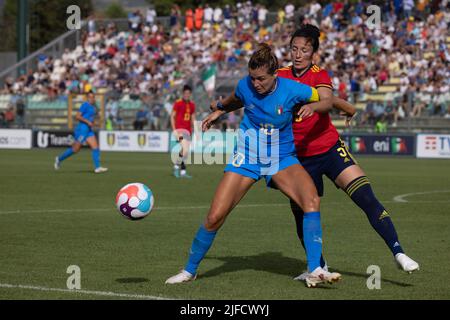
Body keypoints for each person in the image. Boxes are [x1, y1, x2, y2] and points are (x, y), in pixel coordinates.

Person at [165, 44, 345, 287]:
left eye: (261, 79)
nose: (256, 83)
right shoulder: (245, 85)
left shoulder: (293, 89)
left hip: (280, 158)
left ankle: (315, 268)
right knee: (215, 216)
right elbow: (236, 99)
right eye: (253, 78)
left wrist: (345, 108)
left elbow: (326, 99)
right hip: (247, 156)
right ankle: (189, 271)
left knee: (311, 200)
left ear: (275, 75)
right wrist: (219, 110)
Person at [276, 24, 419, 280]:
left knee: (366, 197)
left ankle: (399, 252)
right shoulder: (280, 75)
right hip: (296, 158)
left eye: (304, 50)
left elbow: (327, 99)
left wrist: (316, 107)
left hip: (329, 148)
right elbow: (256, 91)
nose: (298, 54)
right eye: (294, 49)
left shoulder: (320, 74)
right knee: (303, 215)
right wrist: (221, 108)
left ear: (313, 54)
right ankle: (318, 267)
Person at [54, 92, 108, 174]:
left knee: (95, 147)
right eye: (90, 97)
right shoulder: (85, 105)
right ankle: (59, 159)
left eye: (93, 97)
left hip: (88, 130)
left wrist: (95, 123)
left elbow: (91, 120)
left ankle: (97, 167)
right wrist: (87, 122)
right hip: (82, 130)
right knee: (75, 149)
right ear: (87, 98)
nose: (92, 99)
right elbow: (77, 116)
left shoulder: (93, 108)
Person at [170, 85, 196, 178]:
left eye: (188, 93)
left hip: (188, 131)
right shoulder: (178, 103)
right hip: (179, 130)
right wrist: (174, 130)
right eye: (185, 93)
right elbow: (172, 116)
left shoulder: (192, 104)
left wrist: (196, 129)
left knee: (185, 151)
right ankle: (176, 166)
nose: (186, 95)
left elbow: (192, 118)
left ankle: (182, 172)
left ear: (190, 94)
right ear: (183, 94)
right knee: (185, 149)